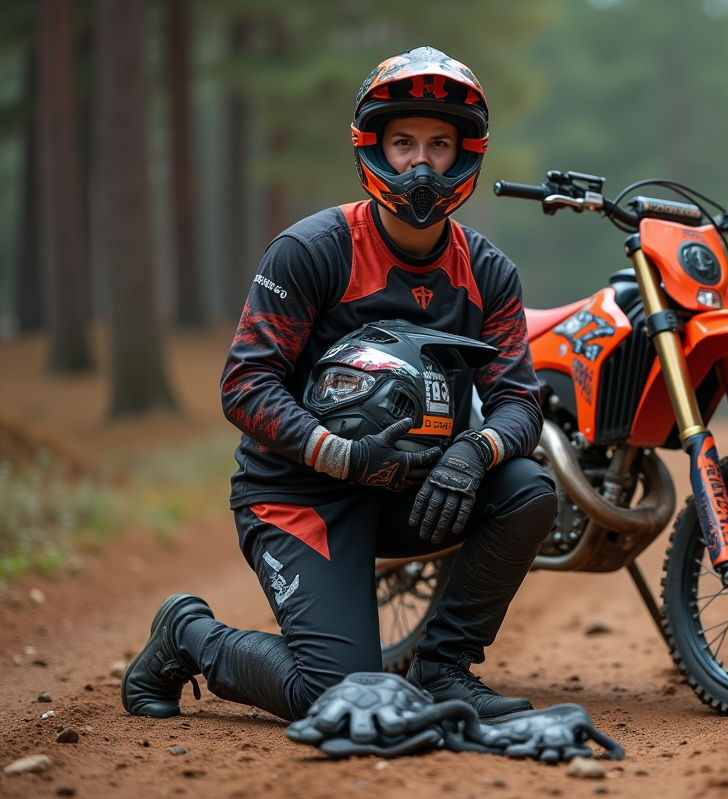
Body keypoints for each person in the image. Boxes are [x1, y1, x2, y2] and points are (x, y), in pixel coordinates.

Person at [121, 47, 556, 723]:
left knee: (528, 487)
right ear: (373, 148)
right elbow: (245, 385)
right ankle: (188, 635)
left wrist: (475, 455)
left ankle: (443, 669)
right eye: (403, 141)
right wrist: (343, 455)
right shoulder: (313, 249)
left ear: (464, 153)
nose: (421, 163)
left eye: (438, 144)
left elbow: (519, 403)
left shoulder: (489, 271)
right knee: (334, 695)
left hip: (414, 487)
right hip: (299, 494)